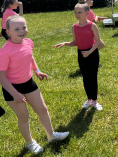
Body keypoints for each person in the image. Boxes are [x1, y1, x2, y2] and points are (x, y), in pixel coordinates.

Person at [0, 15, 69, 154]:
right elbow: (1, 77)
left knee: (42, 109)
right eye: (17, 28)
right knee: (24, 117)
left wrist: (37, 70)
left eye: (24, 27)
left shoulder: (28, 42)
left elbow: (29, 56)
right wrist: (15, 94)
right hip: (12, 88)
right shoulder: (5, 51)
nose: (22, 31)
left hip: (28, 83)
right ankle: (29, 143)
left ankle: (51, 135)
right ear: (8, 32)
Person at [53, 3, 104, 110]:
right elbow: (75, 42)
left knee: (92, 77)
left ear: (87, 13)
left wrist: (89, 52)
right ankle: (89, 99)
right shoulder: (74, 27)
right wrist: (65, 43)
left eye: (79, 12)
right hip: (81, 54)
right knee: (85, 77)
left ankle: (94, 101)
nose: (77, 14)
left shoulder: (92, 25)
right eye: (75, 12)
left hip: (92, 53)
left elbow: (98, 42)